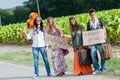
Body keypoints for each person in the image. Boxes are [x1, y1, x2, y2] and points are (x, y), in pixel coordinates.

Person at [87, 8, 106, 74]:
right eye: (92, 15)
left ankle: (103, 68)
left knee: (102, 55)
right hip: (93, 42)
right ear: (89, 15)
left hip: (100, 41)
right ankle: (96, 68)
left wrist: (105, 37)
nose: (93, 15)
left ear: (95, 14)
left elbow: (103, 29)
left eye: (94, 14)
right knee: (92, 55)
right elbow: (88, 33)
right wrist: (88, 42)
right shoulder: (89, 23)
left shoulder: (100, 20)